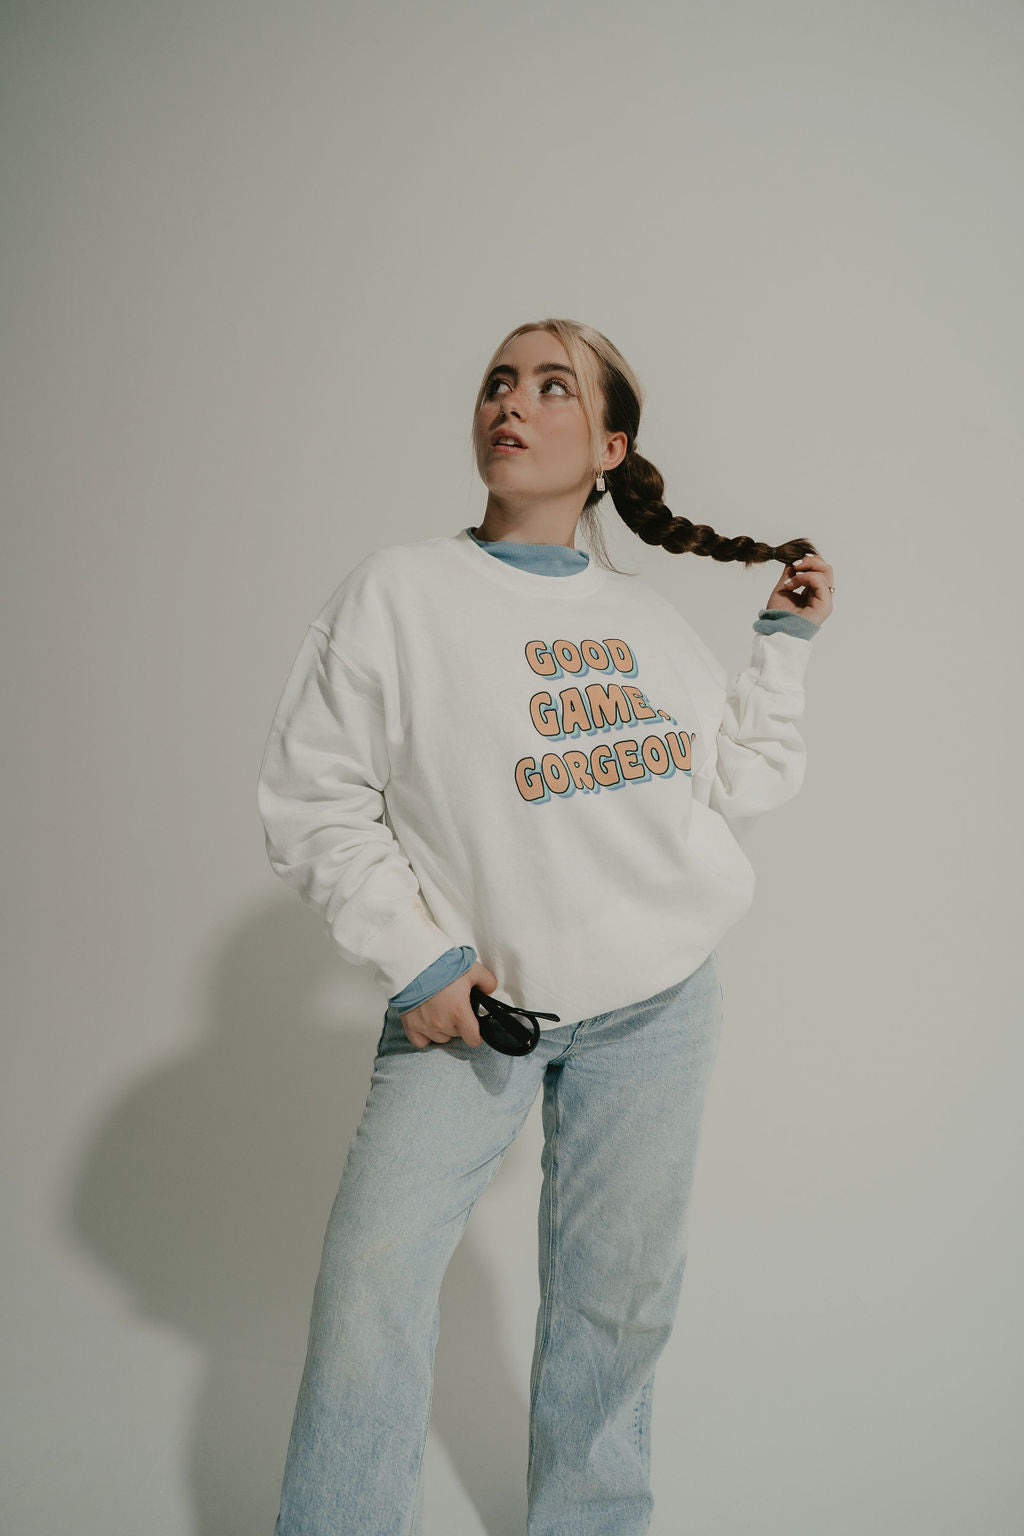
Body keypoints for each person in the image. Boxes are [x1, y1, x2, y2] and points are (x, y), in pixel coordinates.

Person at [256, 317, 835, 1535]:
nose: (511, 403)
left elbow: (733, 783)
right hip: (473, 1009)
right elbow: (315, 798)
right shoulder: (400, 594)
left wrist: (781, 648)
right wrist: (417, 958)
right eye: (498, 382)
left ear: (609, 446)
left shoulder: (645, 623)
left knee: (616, 1304)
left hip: (658, 1009)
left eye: (552, 386)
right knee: (371, 1288)